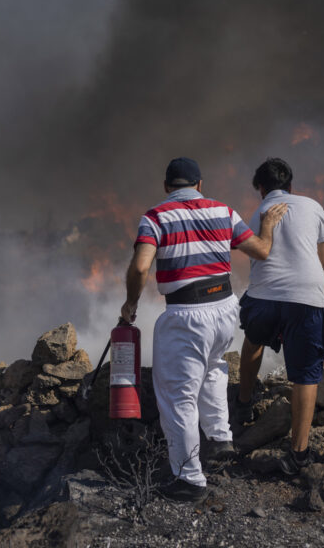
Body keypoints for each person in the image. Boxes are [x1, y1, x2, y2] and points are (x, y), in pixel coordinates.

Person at [121, 157, 287, 502]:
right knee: (214, 368)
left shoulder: (155, 217)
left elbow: (140, 268)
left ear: (167, 187)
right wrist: (268, 224)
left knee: (177, 394)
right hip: (226, 307)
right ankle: (219, 438)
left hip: (186, 313)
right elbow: (262, 249)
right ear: (199, 185)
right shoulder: (223, 211)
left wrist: (131, 304)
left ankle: (189, 479)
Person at [234, 158, 324, 475]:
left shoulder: (257, 213)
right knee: (305, 375)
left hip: (262, 300)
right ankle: (298, 453)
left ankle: (244, 402)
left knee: (253, 341)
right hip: (306, 301)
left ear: (261, 189)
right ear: (291, 186)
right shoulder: (313, 205)